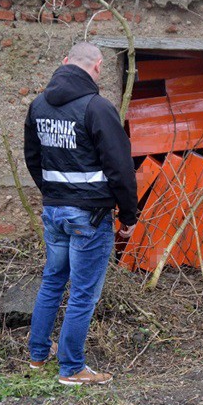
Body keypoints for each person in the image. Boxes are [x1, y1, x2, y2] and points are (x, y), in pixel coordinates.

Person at [24, 42, 138, 386]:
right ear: (99, 67)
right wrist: (129, 216)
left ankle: (38, 354)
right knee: (84, 293)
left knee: (53, 282)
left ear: (64, 62)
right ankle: (71, 368)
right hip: (89, 217)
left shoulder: (38, 106)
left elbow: (32, 158)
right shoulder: (98, 108)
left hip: (55, 211)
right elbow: (121, 168)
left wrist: (53, 194)